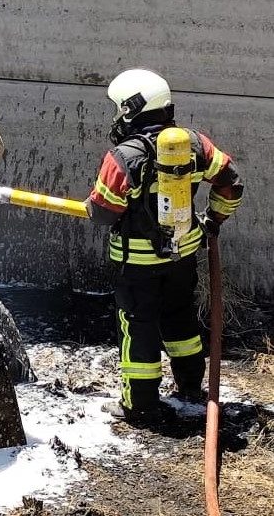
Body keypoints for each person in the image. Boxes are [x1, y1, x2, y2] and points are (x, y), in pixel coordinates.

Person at [84, 68, 243, 423]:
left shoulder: (123, 156)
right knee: (180, 318)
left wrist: (92, 206)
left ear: (131, 109)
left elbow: (104, 213)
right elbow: (232, 184)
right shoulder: (196, 144)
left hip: (136, 266)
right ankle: (189, 387)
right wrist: (212, 222)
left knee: (138, 327)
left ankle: (139, 404)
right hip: (182, 258)